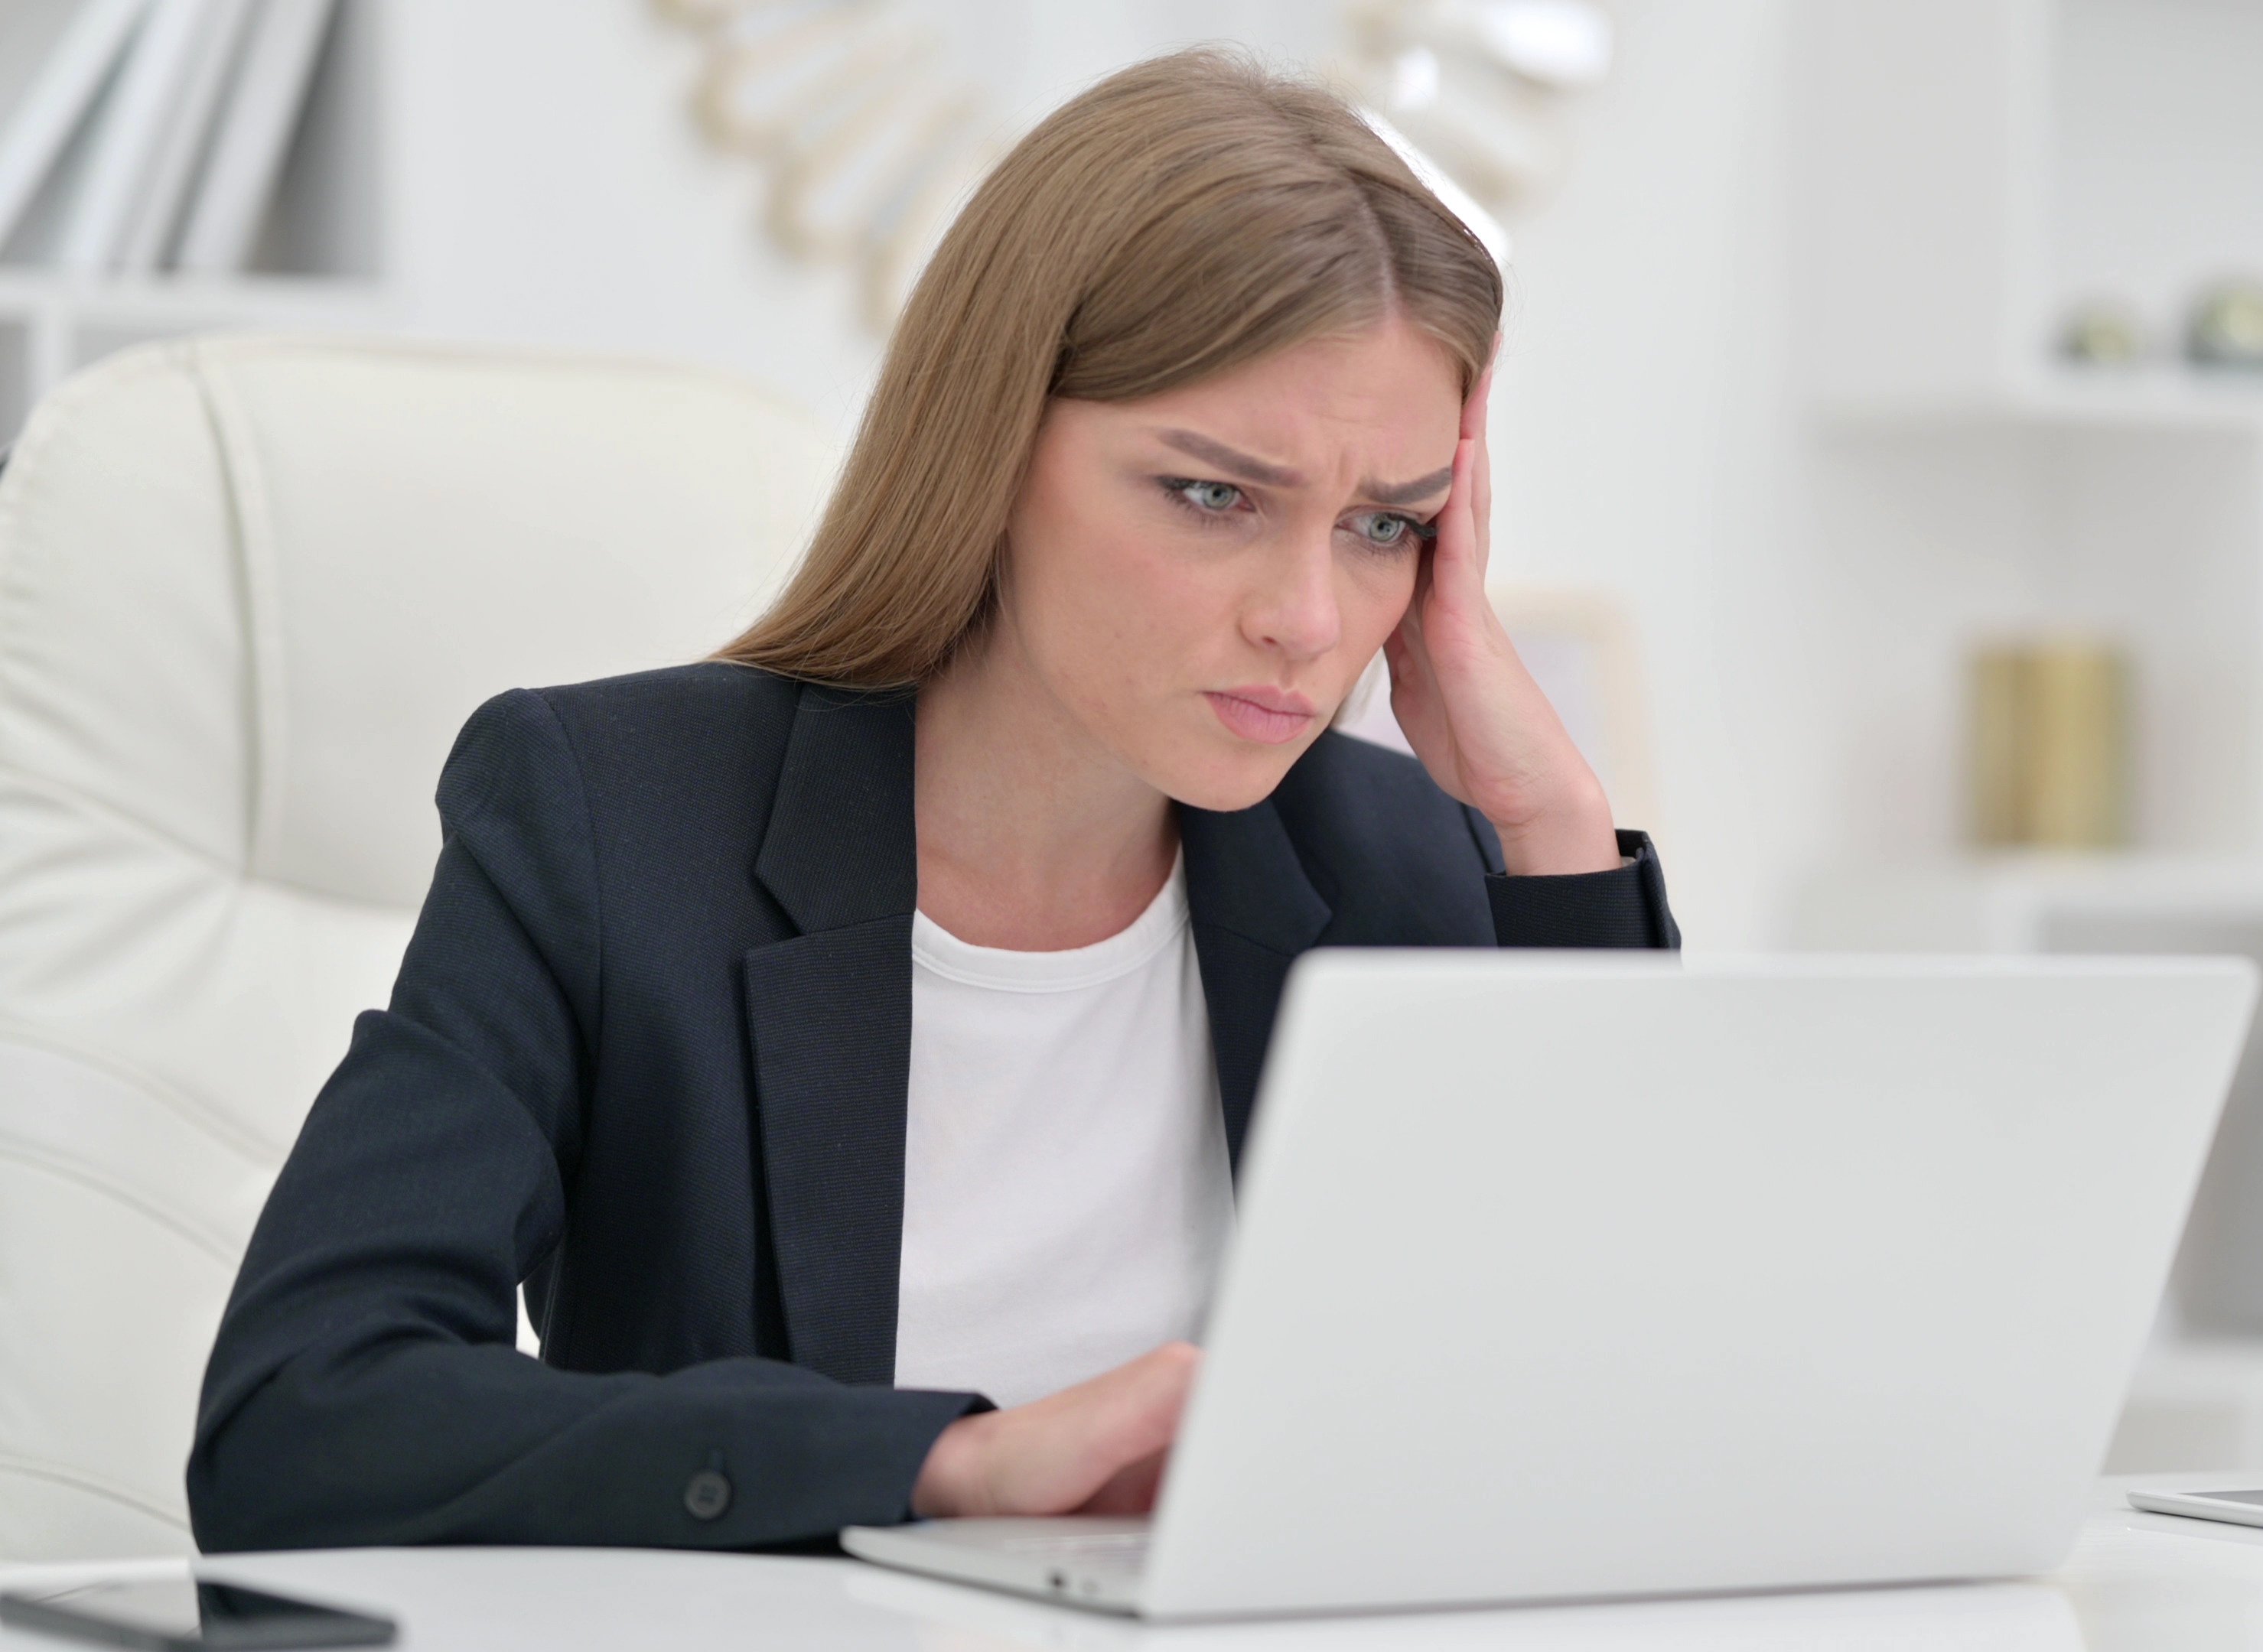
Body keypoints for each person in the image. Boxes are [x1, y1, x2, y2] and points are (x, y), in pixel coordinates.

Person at [186, 49, 1676, 1553]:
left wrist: (1550, 827)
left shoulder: (1402, 859)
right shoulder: (613, 817)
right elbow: (299, 1418)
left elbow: (1641, 1417)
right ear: (994, 444)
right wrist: (945, 1465)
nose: (1306, 616)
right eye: (1215, 494)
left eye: (1384, 526)